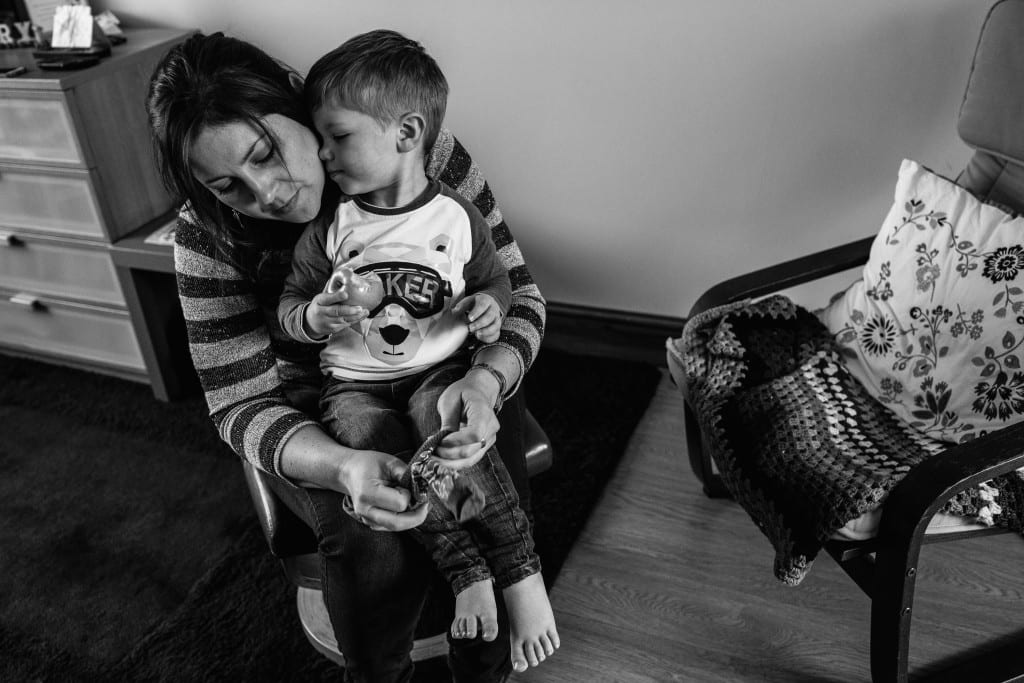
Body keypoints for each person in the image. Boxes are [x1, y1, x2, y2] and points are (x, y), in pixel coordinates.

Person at [146, 30, 548, 683]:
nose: (267, 192)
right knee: (374, 547)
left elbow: (518, 294)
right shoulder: (206, 237)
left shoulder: (416, 151)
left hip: (450, 377)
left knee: (484, 494)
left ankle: (487, 662)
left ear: (297, 108)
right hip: (326, 411)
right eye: (230, 185)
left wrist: (485, 376)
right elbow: (238, 404)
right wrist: (341, 468)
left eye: (267, 153)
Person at [277, 29, 558, 672]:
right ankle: (468, 573)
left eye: (337, 136)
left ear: (406, 133)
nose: (321, 154)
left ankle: (518, 570)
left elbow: (498, 284)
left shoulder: (459, 218)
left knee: (449, 430)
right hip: (352, 384)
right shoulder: (332, 229)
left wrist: (489, 309)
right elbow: (290, 309)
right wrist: (314, 317)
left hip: (442, 369)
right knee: (378, 450)